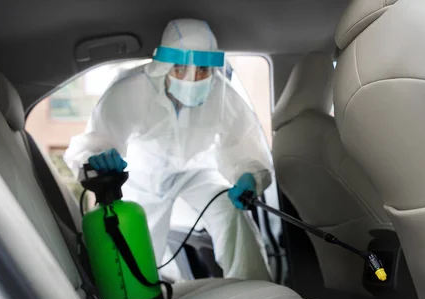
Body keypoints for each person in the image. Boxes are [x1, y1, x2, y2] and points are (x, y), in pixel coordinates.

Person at [64, 19, 272, 281]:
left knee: (231, 210)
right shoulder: (131, 89)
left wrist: (249, 175)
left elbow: (243, 141)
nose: (193, 79)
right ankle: (152, 298)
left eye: (202, 71)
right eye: (182, 68)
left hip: (197, 172)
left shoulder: (221, 92)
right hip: (144, 179)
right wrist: (97, 160)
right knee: (139, 256)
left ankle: (254, 287)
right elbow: (96, 142)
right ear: (164, 66)